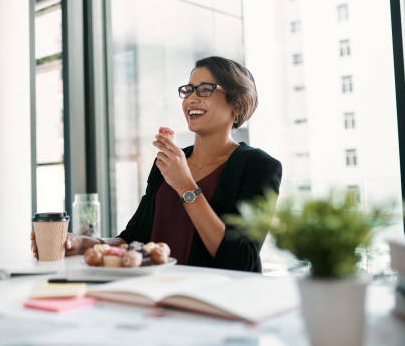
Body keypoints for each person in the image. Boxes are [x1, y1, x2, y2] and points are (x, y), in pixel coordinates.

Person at [31, 56, 282, 272]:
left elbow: (242, 260)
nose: (191, 99)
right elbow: (135, 237)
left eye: (205, 89)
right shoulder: (168, 160)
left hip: (214, 304)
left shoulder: (260, 167)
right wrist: (83, 244)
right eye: (188, 90)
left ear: (236, 103)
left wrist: (185, 185)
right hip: (156, 295)